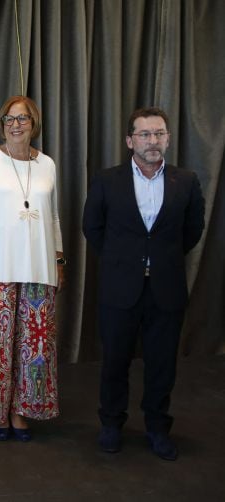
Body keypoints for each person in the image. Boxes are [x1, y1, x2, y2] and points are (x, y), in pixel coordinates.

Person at [82, 107, 205, 461]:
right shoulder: (107, 180)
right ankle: (111, 424)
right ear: (129, 141)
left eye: (159, 133)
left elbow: (192, 230)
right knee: (115, 361)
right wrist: (124, 260)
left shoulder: (187, 180)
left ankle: (157, 427)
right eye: (145, 134)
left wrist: (160, 260)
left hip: (166, 289)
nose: (153, 141)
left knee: (162, 363)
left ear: (167, 138)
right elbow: (93, 227)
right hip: (120, 287)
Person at [0, 95, 64, 442]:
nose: (16, 124)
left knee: (35, 347)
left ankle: (23, 412)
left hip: (40, 267)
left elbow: (52, 217)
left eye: (23, 118)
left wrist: (59, 260)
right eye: (10, 118)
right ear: (2, 123)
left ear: (33, 123)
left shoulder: (47, 165)